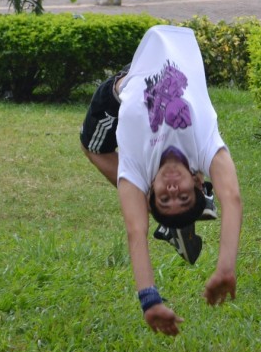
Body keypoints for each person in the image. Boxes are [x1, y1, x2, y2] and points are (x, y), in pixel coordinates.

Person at [80, 25, 243, 336]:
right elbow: (232, 197)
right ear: (199, 181)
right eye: (182, 197)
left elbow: (135, 230)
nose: (171, 190)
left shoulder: (137, 167)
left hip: (122, 89)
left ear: (148, 191)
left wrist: (149, 299)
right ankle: (173, 223)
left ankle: (170, 223)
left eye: (164, 199)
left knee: (92, 147)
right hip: (174, 58)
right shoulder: (204, 143)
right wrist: (225, 267)